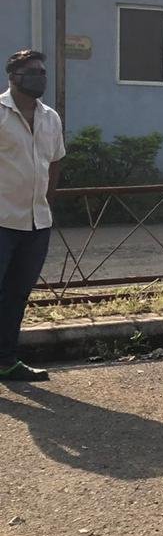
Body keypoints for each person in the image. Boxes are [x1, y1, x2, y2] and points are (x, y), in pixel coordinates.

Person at [0, 50, 64, 382]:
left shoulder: (50, 117)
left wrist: (46, 202)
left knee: (16, 295)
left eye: (43, 72)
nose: (40, 77)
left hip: (37, 224)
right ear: (13, 77)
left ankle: (5, 361)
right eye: (32, 72)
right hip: (2, 221)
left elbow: (55, 162)